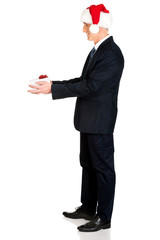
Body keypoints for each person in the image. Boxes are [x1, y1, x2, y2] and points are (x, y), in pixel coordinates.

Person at [28, 4, 124, 232]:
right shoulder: (97, 51)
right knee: (88, 164)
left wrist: (53, 91)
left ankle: (104, 216)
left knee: (102, 168)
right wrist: (54, 85)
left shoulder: (111, 53)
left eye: (85, 26)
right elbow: (83, 80)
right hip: (88, 120)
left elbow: (90, 86)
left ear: (97, 25)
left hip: (100, 122)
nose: (84, 30)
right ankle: (88, 207)